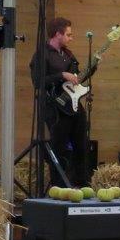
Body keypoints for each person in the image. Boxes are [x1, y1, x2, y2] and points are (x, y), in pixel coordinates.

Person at [29, 16, 87, 187]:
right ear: (57, 34)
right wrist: (61, 75)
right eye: (68, 35)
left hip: (73, 104)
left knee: (82, 143)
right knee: (59, 146)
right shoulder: (42, 54)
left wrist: (93, 67)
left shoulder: (68, 54)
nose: (71, 38)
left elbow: (76, 78)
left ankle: (82, 183)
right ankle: (59, 185)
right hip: (54, 107)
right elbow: (38, 81)